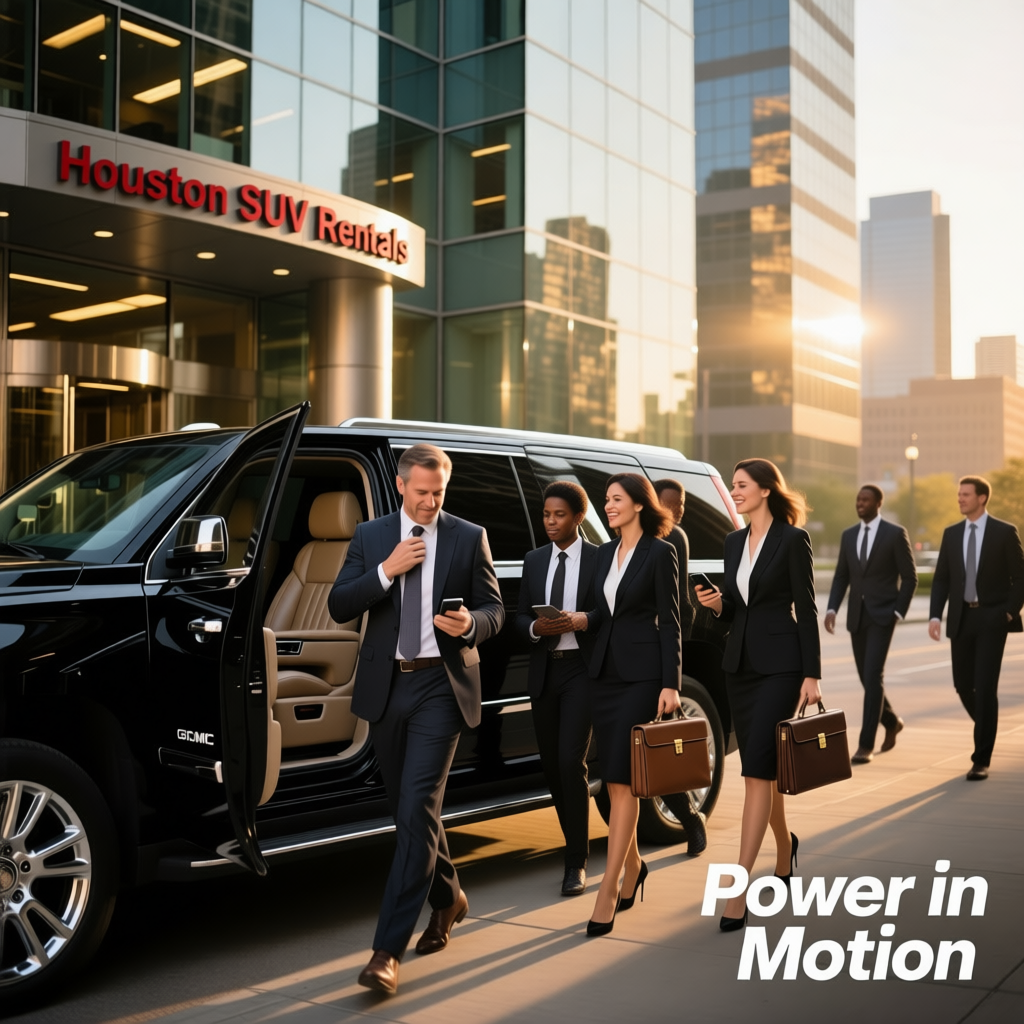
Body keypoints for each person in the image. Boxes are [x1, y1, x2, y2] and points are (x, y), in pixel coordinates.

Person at [328, 443, 504, 995]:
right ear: (401, 486)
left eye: (439, 493)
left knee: (418, 804)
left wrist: (470, 625)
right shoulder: (371, 537)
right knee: (410, 816)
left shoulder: (468, 535)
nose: (430, 503)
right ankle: (449, 898)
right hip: (387, 688)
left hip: (441, 688)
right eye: (422, 492)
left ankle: (386, 952)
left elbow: (495, 609)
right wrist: (385, 572)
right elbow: (338, 605)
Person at [694, 458, 821, 932]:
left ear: (767, 490)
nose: (735, 492)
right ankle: (785, 846)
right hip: (739, 669)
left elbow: (805, 609)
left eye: (742, 486)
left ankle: (739, 890)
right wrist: (717, 604)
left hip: (783, 669)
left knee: (754, 774)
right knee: (763, 770)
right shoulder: (732, 541)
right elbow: (736, 608)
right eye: (733, 486)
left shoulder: (793, 539)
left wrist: (812, 674)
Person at [582, 472, 683, 937]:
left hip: (643, 678)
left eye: (616, 499)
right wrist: (578, 619)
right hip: (604, 676)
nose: (608, 506)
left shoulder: (661, 553)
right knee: (612, 783)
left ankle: (608, 888)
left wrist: (671, 683)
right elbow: (605, 611)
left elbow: (671, 622)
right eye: (606, 500)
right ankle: (635, 864)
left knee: (623, 781)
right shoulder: (604, 553)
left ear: (639, 504)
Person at [515, 481, 598, 897]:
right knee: (551, 766)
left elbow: (611, 612)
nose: (550, 521)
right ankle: (574, 844)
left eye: (559, 515)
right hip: (545, 671)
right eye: (546, 514)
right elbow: (516, 617)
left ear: (578, 517)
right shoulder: (533, 560)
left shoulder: (601, 559)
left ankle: (575, 862)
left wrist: (582, 619)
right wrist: (535, 627)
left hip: (582, 671)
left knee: (570, 762)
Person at [928, 475, 1024, 781]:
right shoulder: (951, 533)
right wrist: (934, 615)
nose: (960, 499)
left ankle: (981, 757)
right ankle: (986, 725)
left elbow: (1020, 577)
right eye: (959, 494)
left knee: (984, 688)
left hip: (992, 620)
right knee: (962, 685)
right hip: (961, 619)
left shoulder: (1004, 532)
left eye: (965, 494)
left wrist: (1009, 612)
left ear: (982, 498)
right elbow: (942, 577)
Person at [825, 484, 917, 764]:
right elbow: (842, 576)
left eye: (865, 500)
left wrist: (898, 612)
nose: (859, 503)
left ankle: (866, 744)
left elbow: (910, 577)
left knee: (874, 674)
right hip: (857, 616)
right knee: (867, 678)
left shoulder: (894, 533)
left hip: (883, 615)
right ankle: (891, 721)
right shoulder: (849, 535)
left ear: (878, 503)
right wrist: (831, 608)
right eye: (858, 499)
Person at [653, 478, 697, 642]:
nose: (677, 510)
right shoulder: (666, 534)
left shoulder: (674, 534)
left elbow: (680, 596)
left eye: (680, 503)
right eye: (669, 504)